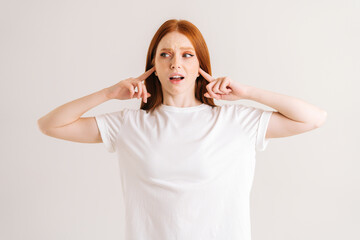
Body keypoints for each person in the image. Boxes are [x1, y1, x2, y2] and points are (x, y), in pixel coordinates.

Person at [38, 19, 327, 240]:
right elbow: (49, 125)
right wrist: (108, 93)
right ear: (153, 64)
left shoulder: (236, 122)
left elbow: (313, 118)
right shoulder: (129, 124)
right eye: (165, 54)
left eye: (187, 55)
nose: (175, 62)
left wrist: (248, 92)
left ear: (201, 64)